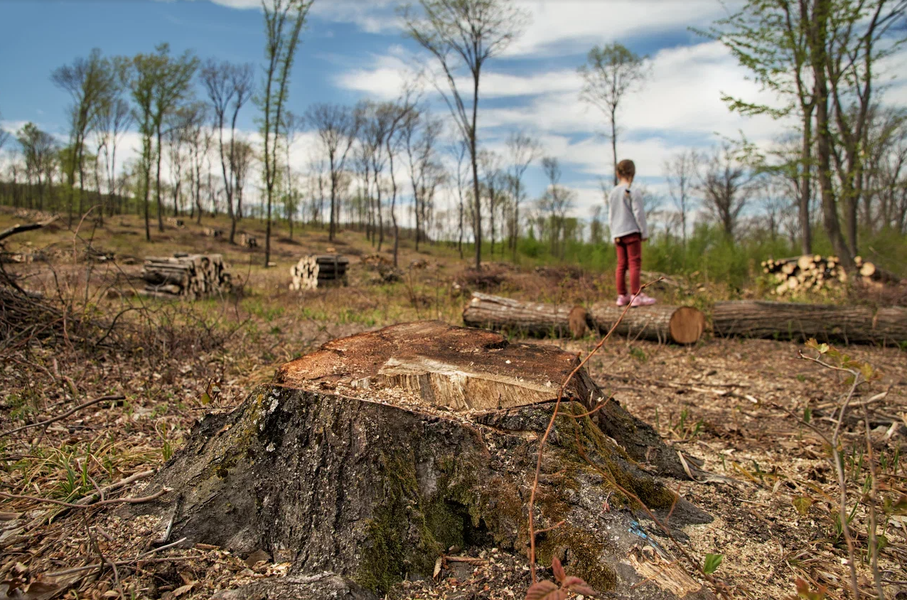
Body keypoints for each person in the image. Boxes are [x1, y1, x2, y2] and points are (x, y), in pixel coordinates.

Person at [608, 159, 655, 307]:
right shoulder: (632, 191)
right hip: (631, 232)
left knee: (621, 264)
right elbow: (638, 213)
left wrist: (613, 234)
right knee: (634, 263)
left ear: (618, 173)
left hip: (618, 233)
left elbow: (611, 216)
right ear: (632, 173)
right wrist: (644, 232)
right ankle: (636, 295)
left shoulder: (613, 193)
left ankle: (622, 296)